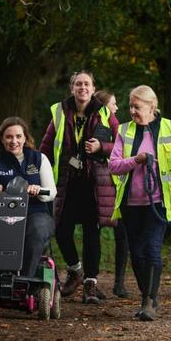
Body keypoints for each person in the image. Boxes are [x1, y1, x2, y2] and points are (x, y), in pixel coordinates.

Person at [108, 85, 171, 321]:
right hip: (130, 204)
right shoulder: (124, 131)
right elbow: (114, 164)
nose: (132, 110)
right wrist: (136, 160)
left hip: (159, 204)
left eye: (137, 106)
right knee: (137, 254)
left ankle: (148, 301)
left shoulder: (170, 129)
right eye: (130, 106)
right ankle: (147, 294)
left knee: (152, 249)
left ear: (152, 106)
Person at [39, 71, 120, 304]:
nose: (82, 87)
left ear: (93, 89)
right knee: (61, 229)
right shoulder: (60, 112)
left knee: (91, 232)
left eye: (86, 84)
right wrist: (36, 172)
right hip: (66, 182)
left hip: (94, 184)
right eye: (78, 84)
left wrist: (101, 147)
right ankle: (76, 270)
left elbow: (120, 145)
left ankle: (90, 284)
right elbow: (46, 146)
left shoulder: (105, 113)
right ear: (72, 88)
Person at [0, 116, 56, 277]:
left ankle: (26, 279)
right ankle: (4, 275)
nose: (14, 141)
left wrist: (39, 190)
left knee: (37, 230)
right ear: (1, 139)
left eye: (18, 136)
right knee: (4, 227)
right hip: (2, 214)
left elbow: (52, 192)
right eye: (9, 137)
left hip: (36, 213)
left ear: (25, 137)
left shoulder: (39, 159)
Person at [94, 89, 130, 298]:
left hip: (117, 185)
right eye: (113, 104)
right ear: (103, 106)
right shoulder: (98, 124)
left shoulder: (116, 125)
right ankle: (98, 281)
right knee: (97, 234)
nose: (116, 108)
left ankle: (119, 281)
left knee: (122, 236)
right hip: (102, 186)